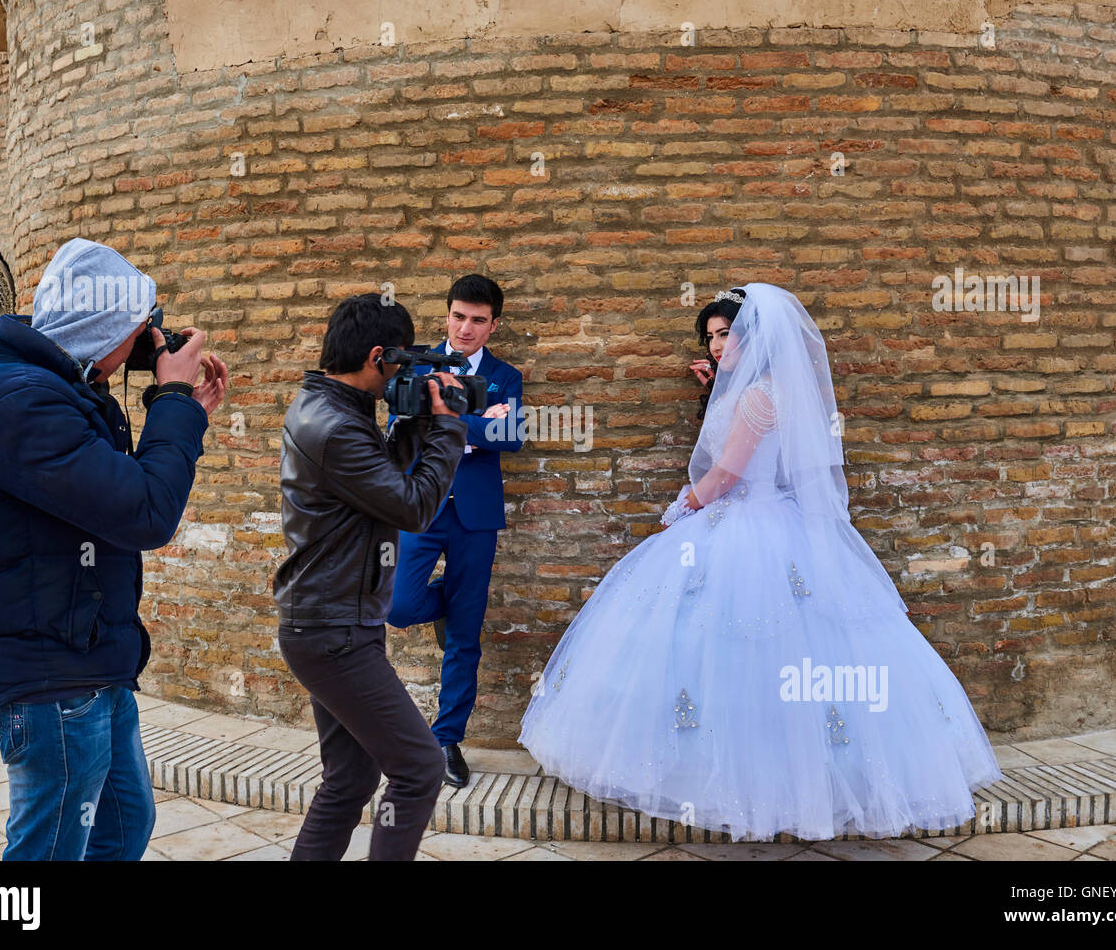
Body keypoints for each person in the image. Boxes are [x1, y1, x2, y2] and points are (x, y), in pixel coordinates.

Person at [519, 283, 1003, 842]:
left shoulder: (754, 399)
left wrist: (685, 503)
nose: (718, 347)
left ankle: (731, 783)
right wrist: (714, 396)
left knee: (724, 647)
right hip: (771, 520)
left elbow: (726, 474)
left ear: (752, 337)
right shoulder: (774, 392)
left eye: (727, 335)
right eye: (711, 338)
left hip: (742, 520)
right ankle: (791, 779)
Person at [0, 237, 227, 860]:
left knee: (122, 827)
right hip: (50, 677)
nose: (148, 341)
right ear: (104, 327)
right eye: (139, 327)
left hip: (88, 660)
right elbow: (146, 513)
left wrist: (175, 401)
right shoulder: (21, 402)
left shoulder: (51, 387)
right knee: (49, 852)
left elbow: (114, 500)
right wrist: (173, 401)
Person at [274, 293, 468, 861]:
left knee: (351, 781)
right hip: (334, 631)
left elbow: (375, 474)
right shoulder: (335, 426)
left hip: (329, 622)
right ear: (377, 356)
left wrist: (415, 420)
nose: (401, 375)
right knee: (419, 767)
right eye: (400, 363)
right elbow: (410, 506)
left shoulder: (328, 407)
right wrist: (449, 430)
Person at [387, 274, 525, 788]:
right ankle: (447, 599)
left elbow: (510, 436)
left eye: (478, 320)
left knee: (466, 634)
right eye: (458, 316)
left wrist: (447, 418)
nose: (466, 328)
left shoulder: (505, 376)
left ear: (494, 325)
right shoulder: (419, 363)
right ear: (446, 314)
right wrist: (476, 422)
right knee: (398, 607)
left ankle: (447, 739)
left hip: (476, 514)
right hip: (419, 506)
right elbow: (401, 423)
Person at [690, 288, 743, 420]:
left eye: (724, 334)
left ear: (746, 334)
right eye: (710, 337)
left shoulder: (756, 395)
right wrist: (718, 388)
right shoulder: (736, 385)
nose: (714, 347)